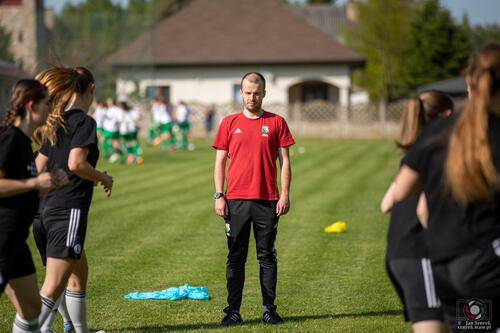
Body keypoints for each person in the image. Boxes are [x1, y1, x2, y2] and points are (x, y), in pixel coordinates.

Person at [393, 43, 500, 332]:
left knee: (471, 326)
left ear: (469, 81)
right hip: (483, 264)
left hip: (446, 266)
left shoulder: (438, 130)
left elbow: (400, 192)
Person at [32, 66, 113, 333]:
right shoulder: (84, 122)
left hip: (42, 213)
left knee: (77, 272)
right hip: (67, 211)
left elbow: (38, 165)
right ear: (91, 88)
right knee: (54, 283)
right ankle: (33, 330)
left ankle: (79, 330)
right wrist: (103, 177)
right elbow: (76, 163)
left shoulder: (56, 122)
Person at [212, 72, 294, 326]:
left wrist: (285, 195)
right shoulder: (228, 123)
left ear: (264, 93)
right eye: (247, 93)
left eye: (256, 93)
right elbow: (219, 163)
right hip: (235, 201)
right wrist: (219, 195)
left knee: (266, 256)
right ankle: (233, 311)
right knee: (235, 257)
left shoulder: (277, 122)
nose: (252, 97)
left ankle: (269, 309)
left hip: (267, 200)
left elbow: (286, 163)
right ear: (241, 93)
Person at [380, 91, 453, 333]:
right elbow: (423, 210)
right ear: (447, 115)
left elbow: (386, 203)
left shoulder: (414, 154)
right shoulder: (440, 154)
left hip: (399, 255)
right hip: (420, 255)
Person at [0, 79, 68, 333]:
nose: (52, 109)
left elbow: (20, 190)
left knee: (32, 310)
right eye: (48, 103)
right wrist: (34, 181)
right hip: (2, 240)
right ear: (31, 105)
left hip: (17, 241)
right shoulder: (10, 139)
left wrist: (46, 186)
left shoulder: (24, 142)